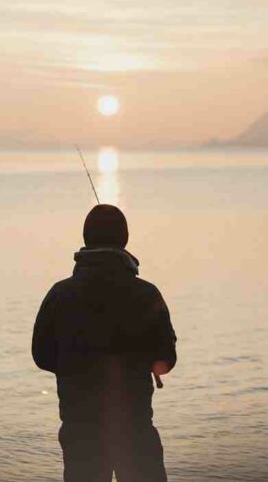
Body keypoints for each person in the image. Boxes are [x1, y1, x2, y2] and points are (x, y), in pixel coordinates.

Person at [32, 204, 177, 482]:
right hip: (134, 429)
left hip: (80, 429)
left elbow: (41, 355)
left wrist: (74, 366)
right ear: (124, 239)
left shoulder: (60, 294)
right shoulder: (146, 294)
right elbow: (166, 361)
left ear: (86, 239)